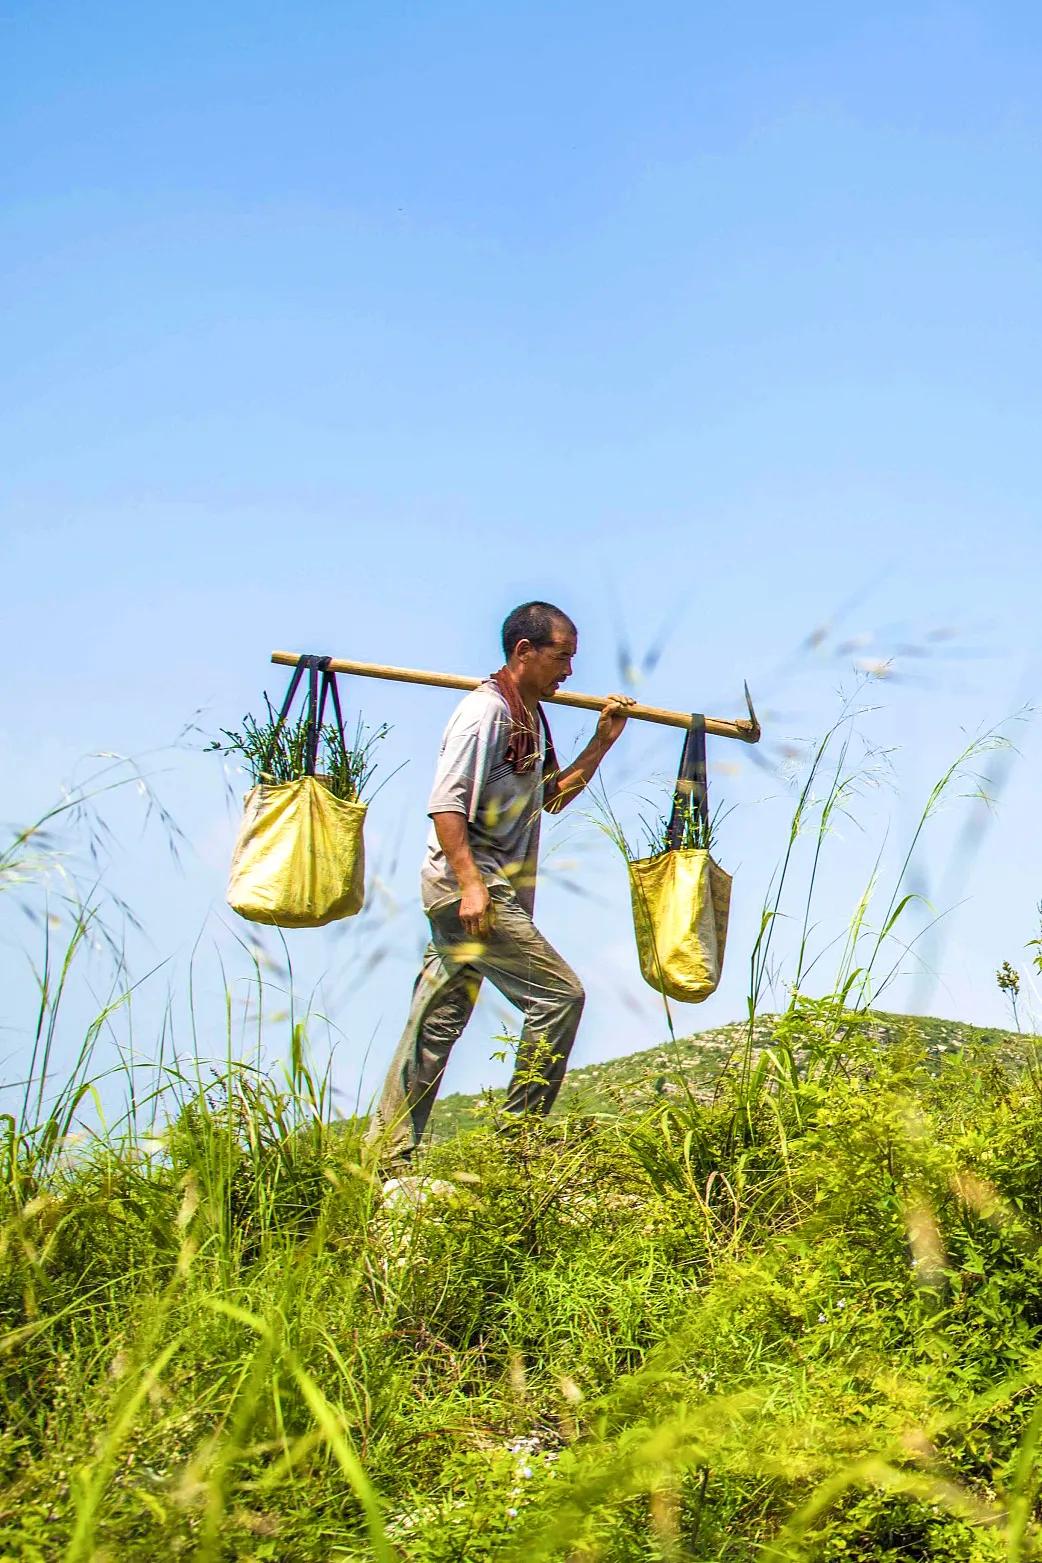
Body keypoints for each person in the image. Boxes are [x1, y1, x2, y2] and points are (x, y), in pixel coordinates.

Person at [368, 600, 634, 1170]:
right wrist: (472, 886)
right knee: (559, 997)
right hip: (471, 888)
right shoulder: (485, 713)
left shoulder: (529, 718)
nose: (569, 672)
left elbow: (551, 799)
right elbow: (446, 805)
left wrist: (602, 742)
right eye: (562, 658)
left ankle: (384, 1157)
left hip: (484, 891)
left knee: (436, 1023)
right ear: (524, 651)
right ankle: (517, 1149)